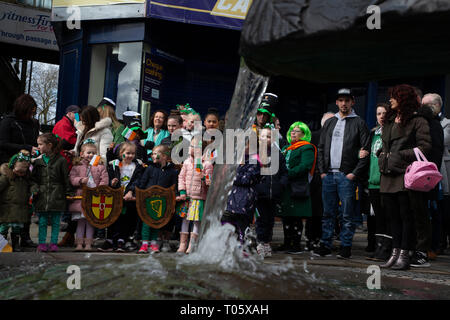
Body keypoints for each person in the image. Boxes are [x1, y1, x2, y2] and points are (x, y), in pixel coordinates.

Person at [378, 84, 432, 270]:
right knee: (392, 217)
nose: (390, 100)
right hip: (387, 174)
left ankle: (404, 254)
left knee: (406, 216)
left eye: (394, 96)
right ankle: (395, 253)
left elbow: (425, 147)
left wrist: (400, 155)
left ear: (403, 99)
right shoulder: (390, 119)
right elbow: (387, 145)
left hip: (405, 175)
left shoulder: (418, 121)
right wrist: (381, 154)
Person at [314, 88, 370, 259]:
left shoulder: (359, 122)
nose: (344, 103)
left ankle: (346, 247)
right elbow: (321, 148)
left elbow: (366, 150)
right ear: (337, 102)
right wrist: (322, 172)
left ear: (352, 102)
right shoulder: (330, 122)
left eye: (347, 100)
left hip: (347, 175)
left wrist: (354, 174)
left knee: (347, 214)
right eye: (340, 100)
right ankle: (326, 245)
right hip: (329, 175)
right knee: (327, 213)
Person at [0, 94, 40, 248]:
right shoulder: (8, 122)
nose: (31, 115)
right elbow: (2, 143)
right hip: (9, 167)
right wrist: (25, 149)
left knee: (26, 203)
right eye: (29, 111)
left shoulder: (33, 124)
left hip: (27, 167)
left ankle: (24, 235)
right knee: (8, 202)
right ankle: (3, 237)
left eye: (33, 112)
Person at [277, 122, 316, 254]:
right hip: (286, 187)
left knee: (296, 217)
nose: (293, 133)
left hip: (297, 186)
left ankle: (296, 244)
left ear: (304, 134)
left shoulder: (307, 148)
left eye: (297, 131)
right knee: (286, 216)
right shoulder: (286, 148)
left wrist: (288, 173)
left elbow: (305, 166)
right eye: (292, 130)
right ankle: (287, 243)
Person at [99, 142, 145, 252]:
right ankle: (110, 240)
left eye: (133, 153)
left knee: (126, 219)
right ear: (121, 153)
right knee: (113, 218)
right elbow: (109, 178)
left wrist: (130, 191)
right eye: (127, 153)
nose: (130, 156)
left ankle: (122, 240)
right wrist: (112, 183)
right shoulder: (115, 165)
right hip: (116, 196)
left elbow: (138, 180)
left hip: (129, 198)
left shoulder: (136, 166)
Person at [415, 93, 444, 264]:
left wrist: (429, 173)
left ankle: (430, 247)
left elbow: (437, 151)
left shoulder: (435, 125)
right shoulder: (420, 122)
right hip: (418, 174)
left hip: (428, 176)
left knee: (431, 212)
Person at [361, 103, 392, 261]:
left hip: (386, 182)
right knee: (377, 218)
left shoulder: (392, 132)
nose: (381, 116)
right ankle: (379, 250)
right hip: (372, 182)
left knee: (388, 217)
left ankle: (387, 250)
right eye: (378, 113)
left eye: (384, 113)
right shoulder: (373, 134)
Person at [134, 144, 179, 253]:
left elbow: (174, 186)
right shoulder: (149, 168)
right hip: (148, 200)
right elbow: (142, 183)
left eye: (155, 154)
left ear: (164, 156)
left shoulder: (172, 171)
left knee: (157, 222)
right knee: (146, 222)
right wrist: (138, 195)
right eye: (152, 154)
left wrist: (176, 196)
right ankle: (144, 244)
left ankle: (154, 243)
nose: (153, 156)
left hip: (162, 202)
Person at [31, 133, 72, 252]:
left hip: (57, 195)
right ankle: (42, 243)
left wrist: (68, 193)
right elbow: (33, 179)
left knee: (55, 222)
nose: (38, 147)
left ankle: (54, 243)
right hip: (42, 196)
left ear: (49, 145)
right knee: (42, 221)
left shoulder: (61, 161)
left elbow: (65, 178)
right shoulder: (38, 162)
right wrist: (34, 188)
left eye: (40, 144)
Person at [68, 140, 109, 251]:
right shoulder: (77, 166)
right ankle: (79, 244)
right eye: (88, 152)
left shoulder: (100, 167)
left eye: (93, 153)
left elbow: (104, 180)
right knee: (81, 222)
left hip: (94, 198)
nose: (91, 155)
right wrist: (80, 180)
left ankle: (89, 244)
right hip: (81, 198)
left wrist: (98, 189)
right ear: (82, 154)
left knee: (90, 222)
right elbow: (72, 178)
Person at [255, 127, 288, 258]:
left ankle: (267, 242)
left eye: (268, 136)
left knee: (270, 220)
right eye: (263, 136)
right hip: (260, 194)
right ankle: (260, 242)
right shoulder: (256, 154)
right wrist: (256, 186)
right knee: (261, 220)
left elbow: (284, 172)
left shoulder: (278, 154)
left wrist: (281, 185)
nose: (265, 139)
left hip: (274, 193)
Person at [221, 139, 261, 249]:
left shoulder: (254, 162)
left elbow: (246, 180)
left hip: (245, 199)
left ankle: (243, 248)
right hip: (233, 199)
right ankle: (229, 246)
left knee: (242, 225)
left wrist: (233, 175)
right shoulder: (238, 161)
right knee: (226, 221)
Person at [176, 139, 213, 254]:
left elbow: (210, 182)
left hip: (198, 196)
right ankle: (182, 244)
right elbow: (181, 178)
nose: (192, 148)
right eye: (191, 146)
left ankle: (192, 244)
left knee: (196, 221)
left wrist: (205, 177)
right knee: (185, 220)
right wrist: (182, 191)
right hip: (187, 197)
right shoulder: (186, 163)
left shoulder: (206, 164)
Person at [53, 104, 81, 248]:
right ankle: (67, 233)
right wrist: (78, 132)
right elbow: (70, 141)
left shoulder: (67, 124)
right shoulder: (63, 124)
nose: (78, 117)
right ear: (70, 114)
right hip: (65, 166)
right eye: (76, 115)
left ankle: (69, 235)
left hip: (68, 164)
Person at [0, 150, 32, 252]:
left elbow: (32, 185)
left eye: (23, 172)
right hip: (7, 208)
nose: (20, 174)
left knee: (17, 228)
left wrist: (34, 188)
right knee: (4, 227)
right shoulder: (7, 177)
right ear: (13, 166)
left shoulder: (25, 179)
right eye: (18, 171)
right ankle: (2, 244)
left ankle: (15, 244)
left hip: (20, 209)